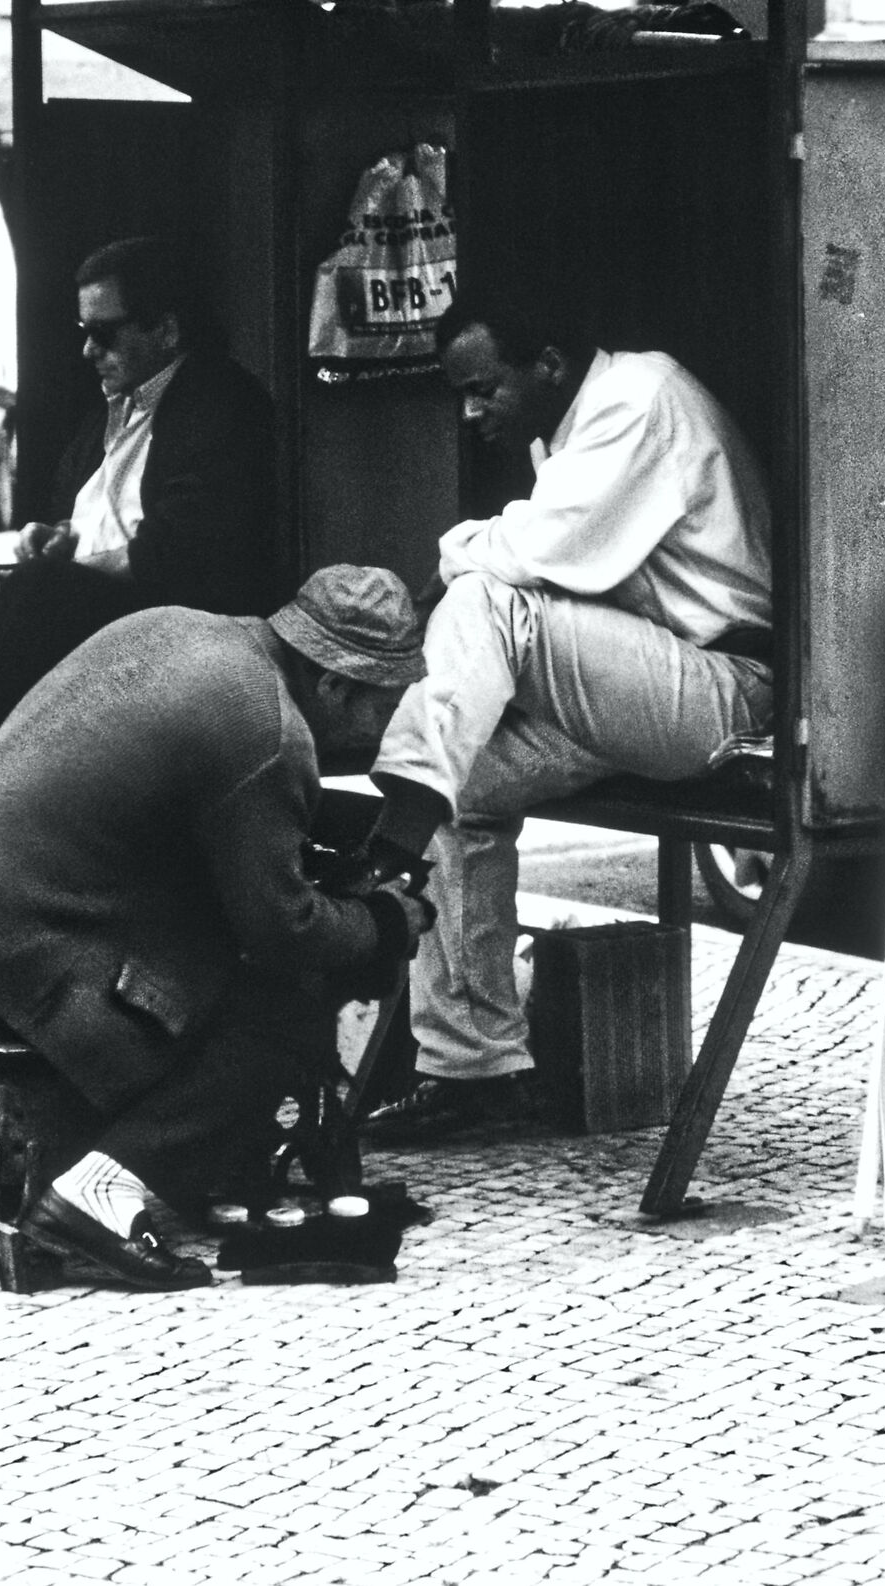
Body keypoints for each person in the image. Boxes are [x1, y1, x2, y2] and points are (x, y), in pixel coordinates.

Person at [0, 568, 433, 1291]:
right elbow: (285, 932)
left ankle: (204, 1166)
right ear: (334, 685)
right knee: (278, 1019)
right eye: (384, 706)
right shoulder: (267, 728)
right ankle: (99, 1196)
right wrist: (387, 921)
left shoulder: (179, 627)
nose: (384, 729)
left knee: (215, 972)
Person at [359, 295, 775, 1140]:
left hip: (719, 689)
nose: (472, 414)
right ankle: (476, 1070)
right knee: (463, 792)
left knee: (488, 596)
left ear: (547, 363)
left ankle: (396, 820)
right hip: (635, 690)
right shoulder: (577, 423)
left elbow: (537, 551)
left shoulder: (641, 396)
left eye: (484, 389)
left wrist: (448, 557)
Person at [0, 236, 281, 828]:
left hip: (175, 619)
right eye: (83, 330)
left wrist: (66, 571)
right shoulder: (114, 406)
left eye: (107, 332)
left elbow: (178, 550)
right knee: (32, 592)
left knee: (36, 594)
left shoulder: (221, 406)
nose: (89, 349)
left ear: (166, 330)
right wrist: (62, 534)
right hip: (109, 609)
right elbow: (105, 509)